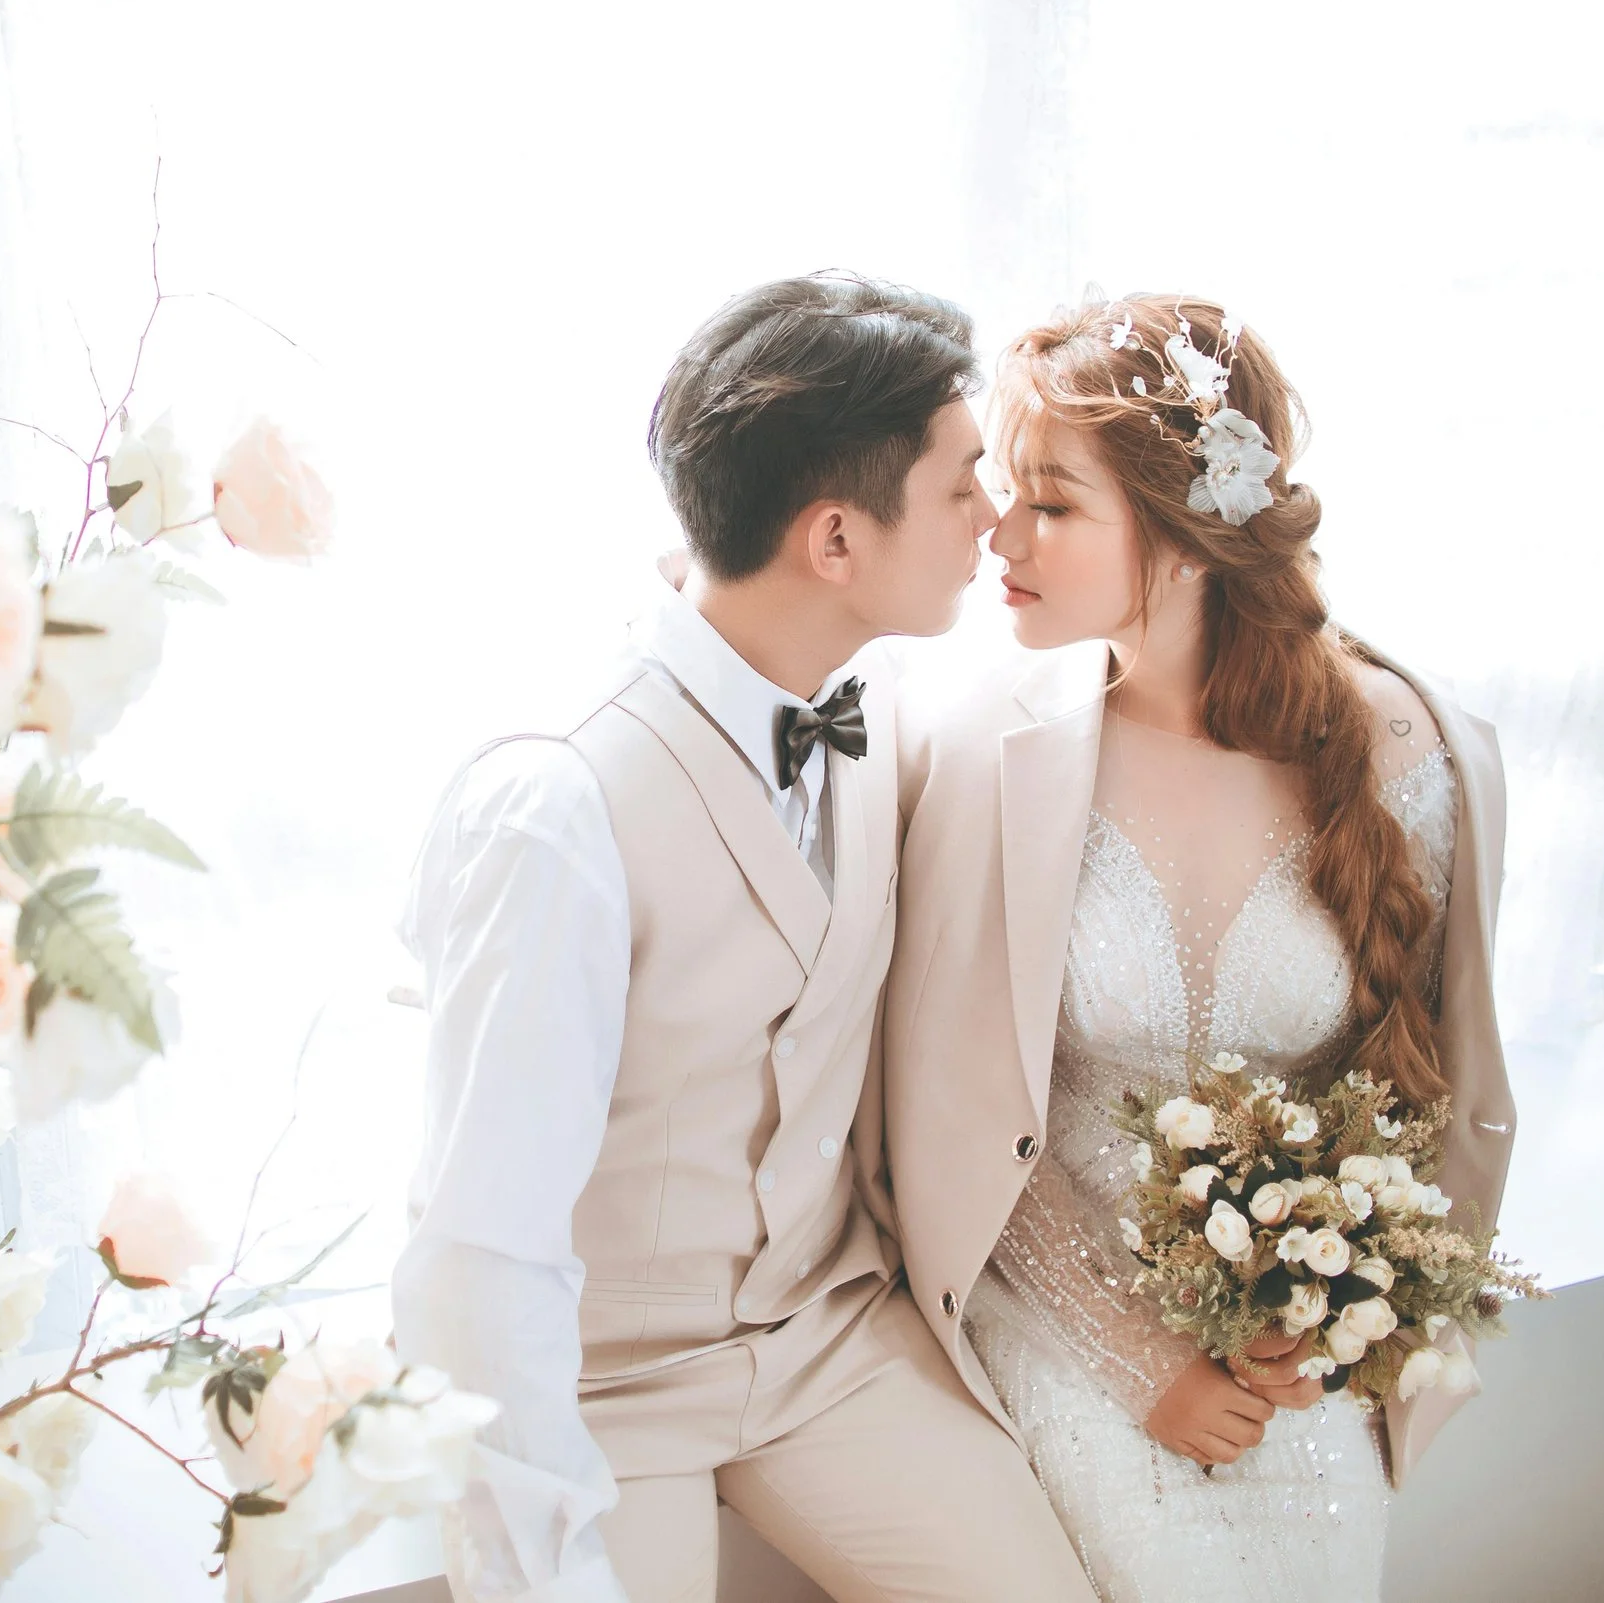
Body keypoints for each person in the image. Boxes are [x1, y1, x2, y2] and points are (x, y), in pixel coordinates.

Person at [390, 273, 1095, 1603]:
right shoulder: (556, 802)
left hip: (826, 1339)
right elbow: (478, 1254)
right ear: (834, 540)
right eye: (962, 486)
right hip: (604, 1383)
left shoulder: (876, 692)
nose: (994, 519)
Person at [882, 295, 1516, 1600]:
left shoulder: (1405, 750)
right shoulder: (987, 746)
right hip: (1051, 1300)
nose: (1000, 534)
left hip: (1291, 1350)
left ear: (1183, 533)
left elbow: (1419, 1095)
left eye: (1051, 504)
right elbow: (947, 1107)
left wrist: (1317, 1314)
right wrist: (1136, 1357)